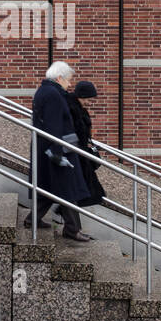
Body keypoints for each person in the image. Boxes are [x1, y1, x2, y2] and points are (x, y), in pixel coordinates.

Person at [30, 61, 93, 242]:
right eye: (68, 80)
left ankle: (32, 219)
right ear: (59, 78)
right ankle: (72, 230)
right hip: (58, 149)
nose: (70, 84)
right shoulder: (53, 95)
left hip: (50, 147)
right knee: (67, 191)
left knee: (52, 188)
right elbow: (54, 124)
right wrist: (58, 152)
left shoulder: (46, 91)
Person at [66, 80, 106, 207]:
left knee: (81, 188)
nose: (88, 103)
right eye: (87, 99)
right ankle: (70, 222)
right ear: (81, 96)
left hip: (79, 151)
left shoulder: (78, 109)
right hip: (75, 152)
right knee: (82, 188)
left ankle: (70, 221)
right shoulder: (72, 109)